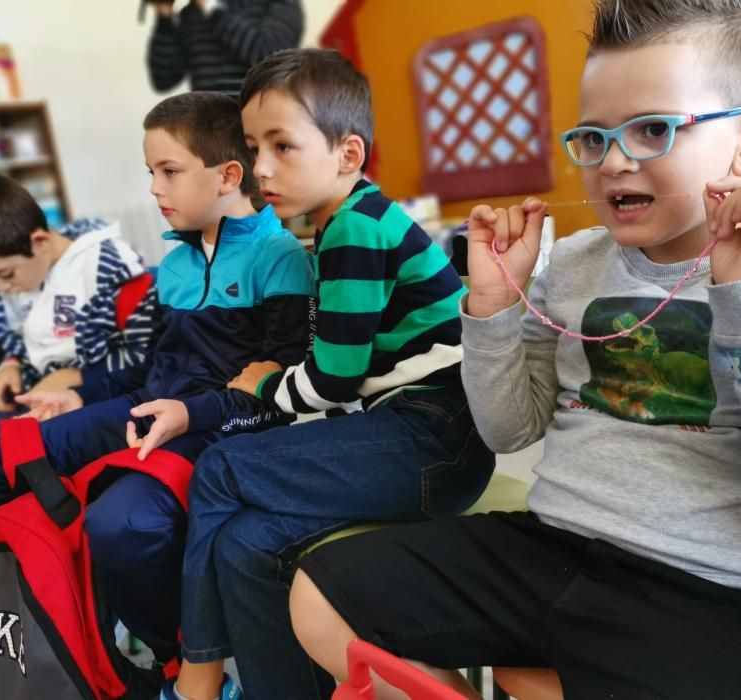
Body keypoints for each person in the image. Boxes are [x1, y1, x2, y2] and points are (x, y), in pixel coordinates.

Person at [289, 1, 741, 698]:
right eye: (591, 137)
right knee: (321, 594)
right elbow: (509, 427)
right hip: (550, 548)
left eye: (651, 129)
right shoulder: (574, 262)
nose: (611, 163)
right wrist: (489, 309)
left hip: (721, 594)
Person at [159, 49, 496, 700]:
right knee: (245, 545)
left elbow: (332, 381)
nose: (260, 168)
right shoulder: (344, 224)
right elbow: (343, 380)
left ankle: (196, 675)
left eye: (282, 147)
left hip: (433, 440)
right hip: (414, 439)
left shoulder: (354, 230)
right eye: (255, 147)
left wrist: (262, 384)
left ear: (347, 155)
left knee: (222, 467)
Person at [0, 91, 315, 667]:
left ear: (228, 175)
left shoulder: (280, 260)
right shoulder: (172, 264)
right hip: (148, 406)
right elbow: (143, 368)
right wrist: (76, 394)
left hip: (219, 429)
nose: (154, 188)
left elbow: (278, 401)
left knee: (123, 522)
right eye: (151, 172)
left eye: (169, 171)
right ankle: (64, 622)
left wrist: (191, 414)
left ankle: (181, 655)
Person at [0, 172, 156, 520]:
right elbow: (28, 333)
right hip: (32, 399)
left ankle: (12, 524)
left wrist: (77, 378)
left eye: (5, 275)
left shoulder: (108, 267)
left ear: (38, 241)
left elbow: (143, 359)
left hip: (90, 405)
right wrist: (10, 365)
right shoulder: (21, 268)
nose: (2, 288)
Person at [147, 0, 302, 96]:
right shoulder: (191, 13)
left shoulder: (279, 3)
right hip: (207, 131)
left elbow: (271, 57)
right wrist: (164, 16)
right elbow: (163, 79)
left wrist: (211, 7)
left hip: (258, 130)